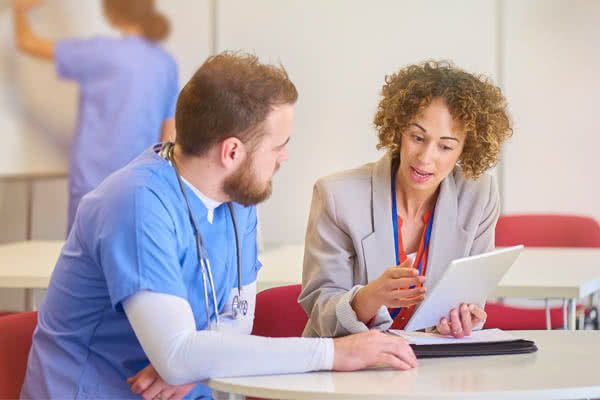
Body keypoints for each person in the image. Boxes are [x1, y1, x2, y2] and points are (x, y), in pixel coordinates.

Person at [20, 52, 418, 400]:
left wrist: (190, 360)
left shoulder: (238, 196)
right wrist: (336, 354)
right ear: (232, 151)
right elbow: (178, 356)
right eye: (279, 146)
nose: (284, 158)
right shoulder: (137, 204)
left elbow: (236, 322)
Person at [299, 60, 512, 339]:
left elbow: (470, 301)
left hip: (433, 369)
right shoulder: (337, 195)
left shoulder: (478, 195)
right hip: (351, 367)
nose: (425, 158)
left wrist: (457, 322)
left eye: (445, 146)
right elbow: (320, 310)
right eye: (417, 137)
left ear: (466, 149)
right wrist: (368, 298)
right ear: (399, 129)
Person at [13, 0, 179, 234]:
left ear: (111, 13)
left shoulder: (101, 53)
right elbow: (168, 134)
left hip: (93, 187)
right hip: (140, 188)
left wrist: (19, 9)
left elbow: (26, 41)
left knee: (84, 264)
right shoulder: (165, 63)